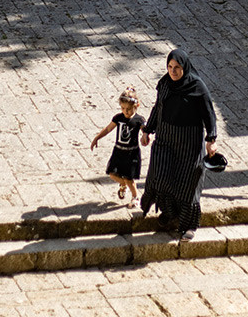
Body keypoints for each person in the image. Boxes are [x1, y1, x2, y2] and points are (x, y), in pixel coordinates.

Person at [140, 48, 218, 242]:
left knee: (187, 184)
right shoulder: (165, 84)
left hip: (189, 143)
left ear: (185, 67)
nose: (173, 71)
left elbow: (209, 115)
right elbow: (158, 107)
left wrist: (211, 140)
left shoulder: (197, 87)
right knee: (161, 176)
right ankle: (169, 212)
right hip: (165, 137)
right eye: (170, 67)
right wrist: (148, 130)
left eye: (177, 67)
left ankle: (189, 225)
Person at [91, 87, 145, 204]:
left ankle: (135, 196)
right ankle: (123, 184)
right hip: (119, 152)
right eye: (123, 108)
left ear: (137, 106)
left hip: (131, 153)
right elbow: (108, 129)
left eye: (129, 109)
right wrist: (97, 137)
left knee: (128, 177)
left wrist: (146, 136)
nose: (126, 111)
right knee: (112, 174)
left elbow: (146, 131)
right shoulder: (118, 118)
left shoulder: (139, 120)